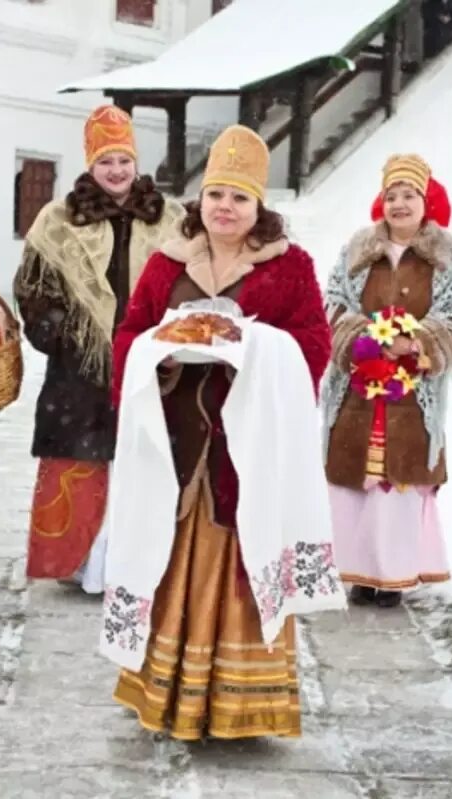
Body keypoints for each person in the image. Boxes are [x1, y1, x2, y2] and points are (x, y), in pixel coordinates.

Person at [104, 125, 340, 741]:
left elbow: (316, 343)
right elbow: (129, 335)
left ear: (258, 207)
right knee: (167, 554)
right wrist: (164, 354)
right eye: (215, 196)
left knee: (241, 556)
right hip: (178, 443)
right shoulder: (165, 265)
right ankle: (163, 693)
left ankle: (240, 705)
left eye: (238, 198)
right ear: (199, 202)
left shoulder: (290, 268)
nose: (225, 209)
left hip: (248, 450)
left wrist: (250, 344)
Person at [14, 106, 184, 592]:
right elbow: (32, 286)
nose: (116, 171)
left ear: (136, 161)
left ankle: (138, 560)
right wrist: (63, 332)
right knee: (83, 460)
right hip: (80, 365)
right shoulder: (59, 219)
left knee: (143, 458)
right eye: (106, 160)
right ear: (90, 163)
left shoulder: (167, 216)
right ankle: (81, 563)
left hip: (149, 357)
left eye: (123, 160)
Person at [322, 154, 452, 608]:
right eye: (392, 195)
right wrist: (364, 339)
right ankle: (357, 573)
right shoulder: (357, 249)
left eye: (409, 195)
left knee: (400, 480)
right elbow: (331, 300)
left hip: (414, 391)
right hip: (357, 389)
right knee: (355, 476)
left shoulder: (446, 256)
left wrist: (417, 342)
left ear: (425, 202)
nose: (399, 203)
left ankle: (392, 575)